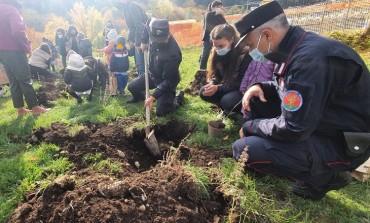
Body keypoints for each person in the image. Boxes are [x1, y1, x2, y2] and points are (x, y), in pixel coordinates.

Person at [232, 1, 370, 201]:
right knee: (255, 101)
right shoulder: (296, 48)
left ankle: (327, 176)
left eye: (252, 45)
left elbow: (294, 127)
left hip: (341, 142)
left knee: (244, 148)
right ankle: (282, 157)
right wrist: (262, 86)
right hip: (321, 122)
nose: (253, 51)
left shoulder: (309, 60)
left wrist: (252, 126)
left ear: (267, 35)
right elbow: (289, 87)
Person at [127, 18, 184, 117]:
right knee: (132, 87)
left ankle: (178, 98)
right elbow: (146, 23)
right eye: (155, 39)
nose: (158, 42)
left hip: (166, 81)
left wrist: (153, 97)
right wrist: (144, 41)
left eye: (161, 40)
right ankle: (140, 97)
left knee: (161, 112)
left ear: (168, 34)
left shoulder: (172, 55)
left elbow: (169, 80)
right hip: (152, 74)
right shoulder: (152, 26)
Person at [0, 0, 49, 116]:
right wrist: (27, 47)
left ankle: (20, 110)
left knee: (13, 81)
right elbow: (18, 32)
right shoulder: (11, 10)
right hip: (15, 50)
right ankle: (35, 108)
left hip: (2, 52)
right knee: (25, 78)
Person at [199, 24, 251, 118]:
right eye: (215, 45)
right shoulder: (216, 52)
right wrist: (212, 84)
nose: (218, 49)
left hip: (241, 90)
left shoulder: (244, 54)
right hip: (226, 86)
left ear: (231, 40)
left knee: (227, 101)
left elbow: (241, 82)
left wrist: (218, 88)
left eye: (221, 46)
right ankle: (226, 110)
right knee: (203, 91)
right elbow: (216, 75)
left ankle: (239, 113)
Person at [113, 0, 147, 77]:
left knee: (141, 64)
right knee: (137, 63)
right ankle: (140, 79)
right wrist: (129, 40)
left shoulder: (133, 6)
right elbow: (132, 28)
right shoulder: (126, 7)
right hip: (135, 37)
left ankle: (143, 85)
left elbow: (139, 26)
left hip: (141, 39)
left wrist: (138, 43)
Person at [199, 0, 226, 70]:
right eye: (219, 7)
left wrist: (222, 14)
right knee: (205, 55)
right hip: (208, 38)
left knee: (216, 55)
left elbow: (225, 24)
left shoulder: (219, 16)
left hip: (216, 38)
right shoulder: (208, 14)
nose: (221, 8)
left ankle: (216, 70)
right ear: (215, 7)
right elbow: (210, 15)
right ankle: (202, 70)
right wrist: (221, 12)